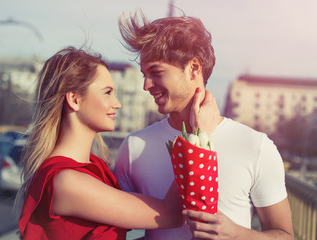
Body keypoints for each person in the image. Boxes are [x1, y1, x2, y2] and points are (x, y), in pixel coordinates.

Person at [114, 10, 294, 240]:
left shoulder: (255, 145)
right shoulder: (134, 147)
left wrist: (237, 234)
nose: (146, 85)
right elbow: (117, 232)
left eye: (156, 72)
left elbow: (285, 235)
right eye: (144, 75)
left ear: (194, 68)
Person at [14, 46, 219, 240]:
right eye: (107, 92)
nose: (117, 103)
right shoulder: (65, 181)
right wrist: (199, 135)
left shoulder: (92, 170)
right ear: (74, 100)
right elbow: (170, 214)